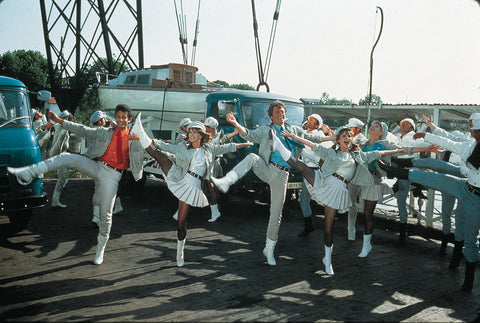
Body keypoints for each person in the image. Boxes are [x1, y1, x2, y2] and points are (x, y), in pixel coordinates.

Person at [8, 104, 144, 265]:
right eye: (118, 116)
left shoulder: (134, 137)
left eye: (124, 117)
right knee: (67, 157)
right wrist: (59, 120)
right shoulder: (104, 132)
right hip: (98, 166)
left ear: (129, 119)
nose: (121, 119)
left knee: (106, 215)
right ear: (115, 117)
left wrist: (139, 142)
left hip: (113, 176)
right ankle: (30, 172)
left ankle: (100, 249)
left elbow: (144, 152)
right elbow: (82, 129)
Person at [210, 101, 332, 266]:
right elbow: (248, 134)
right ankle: (227, 181)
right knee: (253, 158)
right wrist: (234, 123)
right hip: (267, 169)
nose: (280, 114)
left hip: (282, 175)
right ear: (271, 115)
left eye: (282, 111)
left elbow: (312, 137)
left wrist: (333, 137)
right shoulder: (265, 130)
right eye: (277, 112)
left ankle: (269, 249)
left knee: (276, 214)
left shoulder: (294, 130)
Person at [272, 126, 407, 274]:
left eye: (349, 135)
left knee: (329, 227)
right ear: (338, 140)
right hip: (325, 182)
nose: (347, 137)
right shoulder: (331, 152)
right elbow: (313, 145)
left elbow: (379, 153)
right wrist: (294, 137)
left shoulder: (358, 155)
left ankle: (326, 258)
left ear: (351, 139)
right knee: (302, 167)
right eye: (343, 135)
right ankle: (328, 261)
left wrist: (398, 151)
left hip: (339, 190)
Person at [130, 114, 252, 267]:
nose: (191, 135)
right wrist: (146, 140)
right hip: (179, 176)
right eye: (190, 132)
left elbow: (228, 146)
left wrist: (246, 144)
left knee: (181, 224)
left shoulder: (209, 148)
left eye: (195, 132)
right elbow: (164, 145)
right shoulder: (182, 147)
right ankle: (140, 132)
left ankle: (180, 253)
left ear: (201, 134)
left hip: (192, 186)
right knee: (160, 156)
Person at [378, 117, 480, 291]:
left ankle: (468, 279)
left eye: (475, 129)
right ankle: (396, 171)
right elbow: (449, 142)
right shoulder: (470, 145)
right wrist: (427, 135)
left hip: (476, 199)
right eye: (471, 128)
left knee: (470, 241)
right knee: (434, 177)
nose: (471, 131)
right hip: (466, 186)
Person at [348, 121, 441, 256]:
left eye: (377, 127)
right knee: (351, 204)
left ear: (381, 133)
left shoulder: (385, 145)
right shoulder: (361, 143)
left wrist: (426, 149)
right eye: (372, 126)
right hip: (356, 177)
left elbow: (404, 149)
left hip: (373, 179)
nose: (373, 127)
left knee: (368, 214)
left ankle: (366, 244)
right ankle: (351, 231)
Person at [393, 117, 431, 244]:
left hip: (409, 170)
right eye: (402, 123)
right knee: (400, 197)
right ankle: (403, 227)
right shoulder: (399, 138)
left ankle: (403, 230)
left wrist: (430, 147)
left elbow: (425, 144)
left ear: (412, 128)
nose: (403, 125)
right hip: (401, 170)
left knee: (400, 198)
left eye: (407, 124)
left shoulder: (413, 136)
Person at [298, 114, 332, 237]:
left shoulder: (318, 136)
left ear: (317, 125)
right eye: (309, 119)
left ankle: (311, 226)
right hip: (305, 169)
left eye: (312, 120)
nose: (309, 121)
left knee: (307, 198)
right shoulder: (303, 132)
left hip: (312, 170)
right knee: (305, 199)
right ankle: (310, 225)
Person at [89, 110, 124, 226]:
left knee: (100, 189)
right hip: (105, 164)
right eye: (104, 118)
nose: (106, 120)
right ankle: (97, 216)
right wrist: (112, 123)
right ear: (100, 121)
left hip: (96, 162)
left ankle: (97, 215)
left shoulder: (92, 129)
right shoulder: (102, 131)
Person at [49, 110, 74, 208]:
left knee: (62, 178)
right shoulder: (62, 128)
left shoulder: (59, 126)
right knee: (61, 179)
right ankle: (55, 201)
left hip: (60, 154)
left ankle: (56, 200)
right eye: (66, 117)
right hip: (60, 155)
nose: (68, 119)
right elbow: (59, 144)